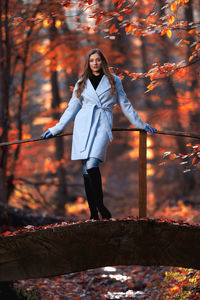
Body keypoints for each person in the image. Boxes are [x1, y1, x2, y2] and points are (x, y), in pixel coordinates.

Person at [41, 48, 157, 220]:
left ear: (103, 62)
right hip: (83, 126)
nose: (95, 63)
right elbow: (72, 107)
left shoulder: (114, 81)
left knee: (92, 164)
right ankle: (93, 214)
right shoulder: (82, 82)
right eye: (91, 60)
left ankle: (101, 206)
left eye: (98, 60)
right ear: (88, 63)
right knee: (86, 171)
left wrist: (140, 124)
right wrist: (56, 128)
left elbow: (125, 104)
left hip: (102, 124)